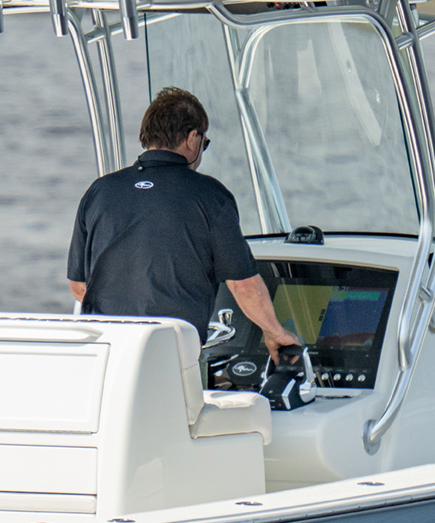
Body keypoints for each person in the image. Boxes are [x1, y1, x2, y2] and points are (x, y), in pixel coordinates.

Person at [67, 86, 300, 363]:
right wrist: (275, 333)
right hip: (168, 354)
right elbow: (244, 286)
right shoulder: (210, 195)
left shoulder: (99, 191)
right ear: (192, 139)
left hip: (105, 352)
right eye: (204, 142)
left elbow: (79, 286)